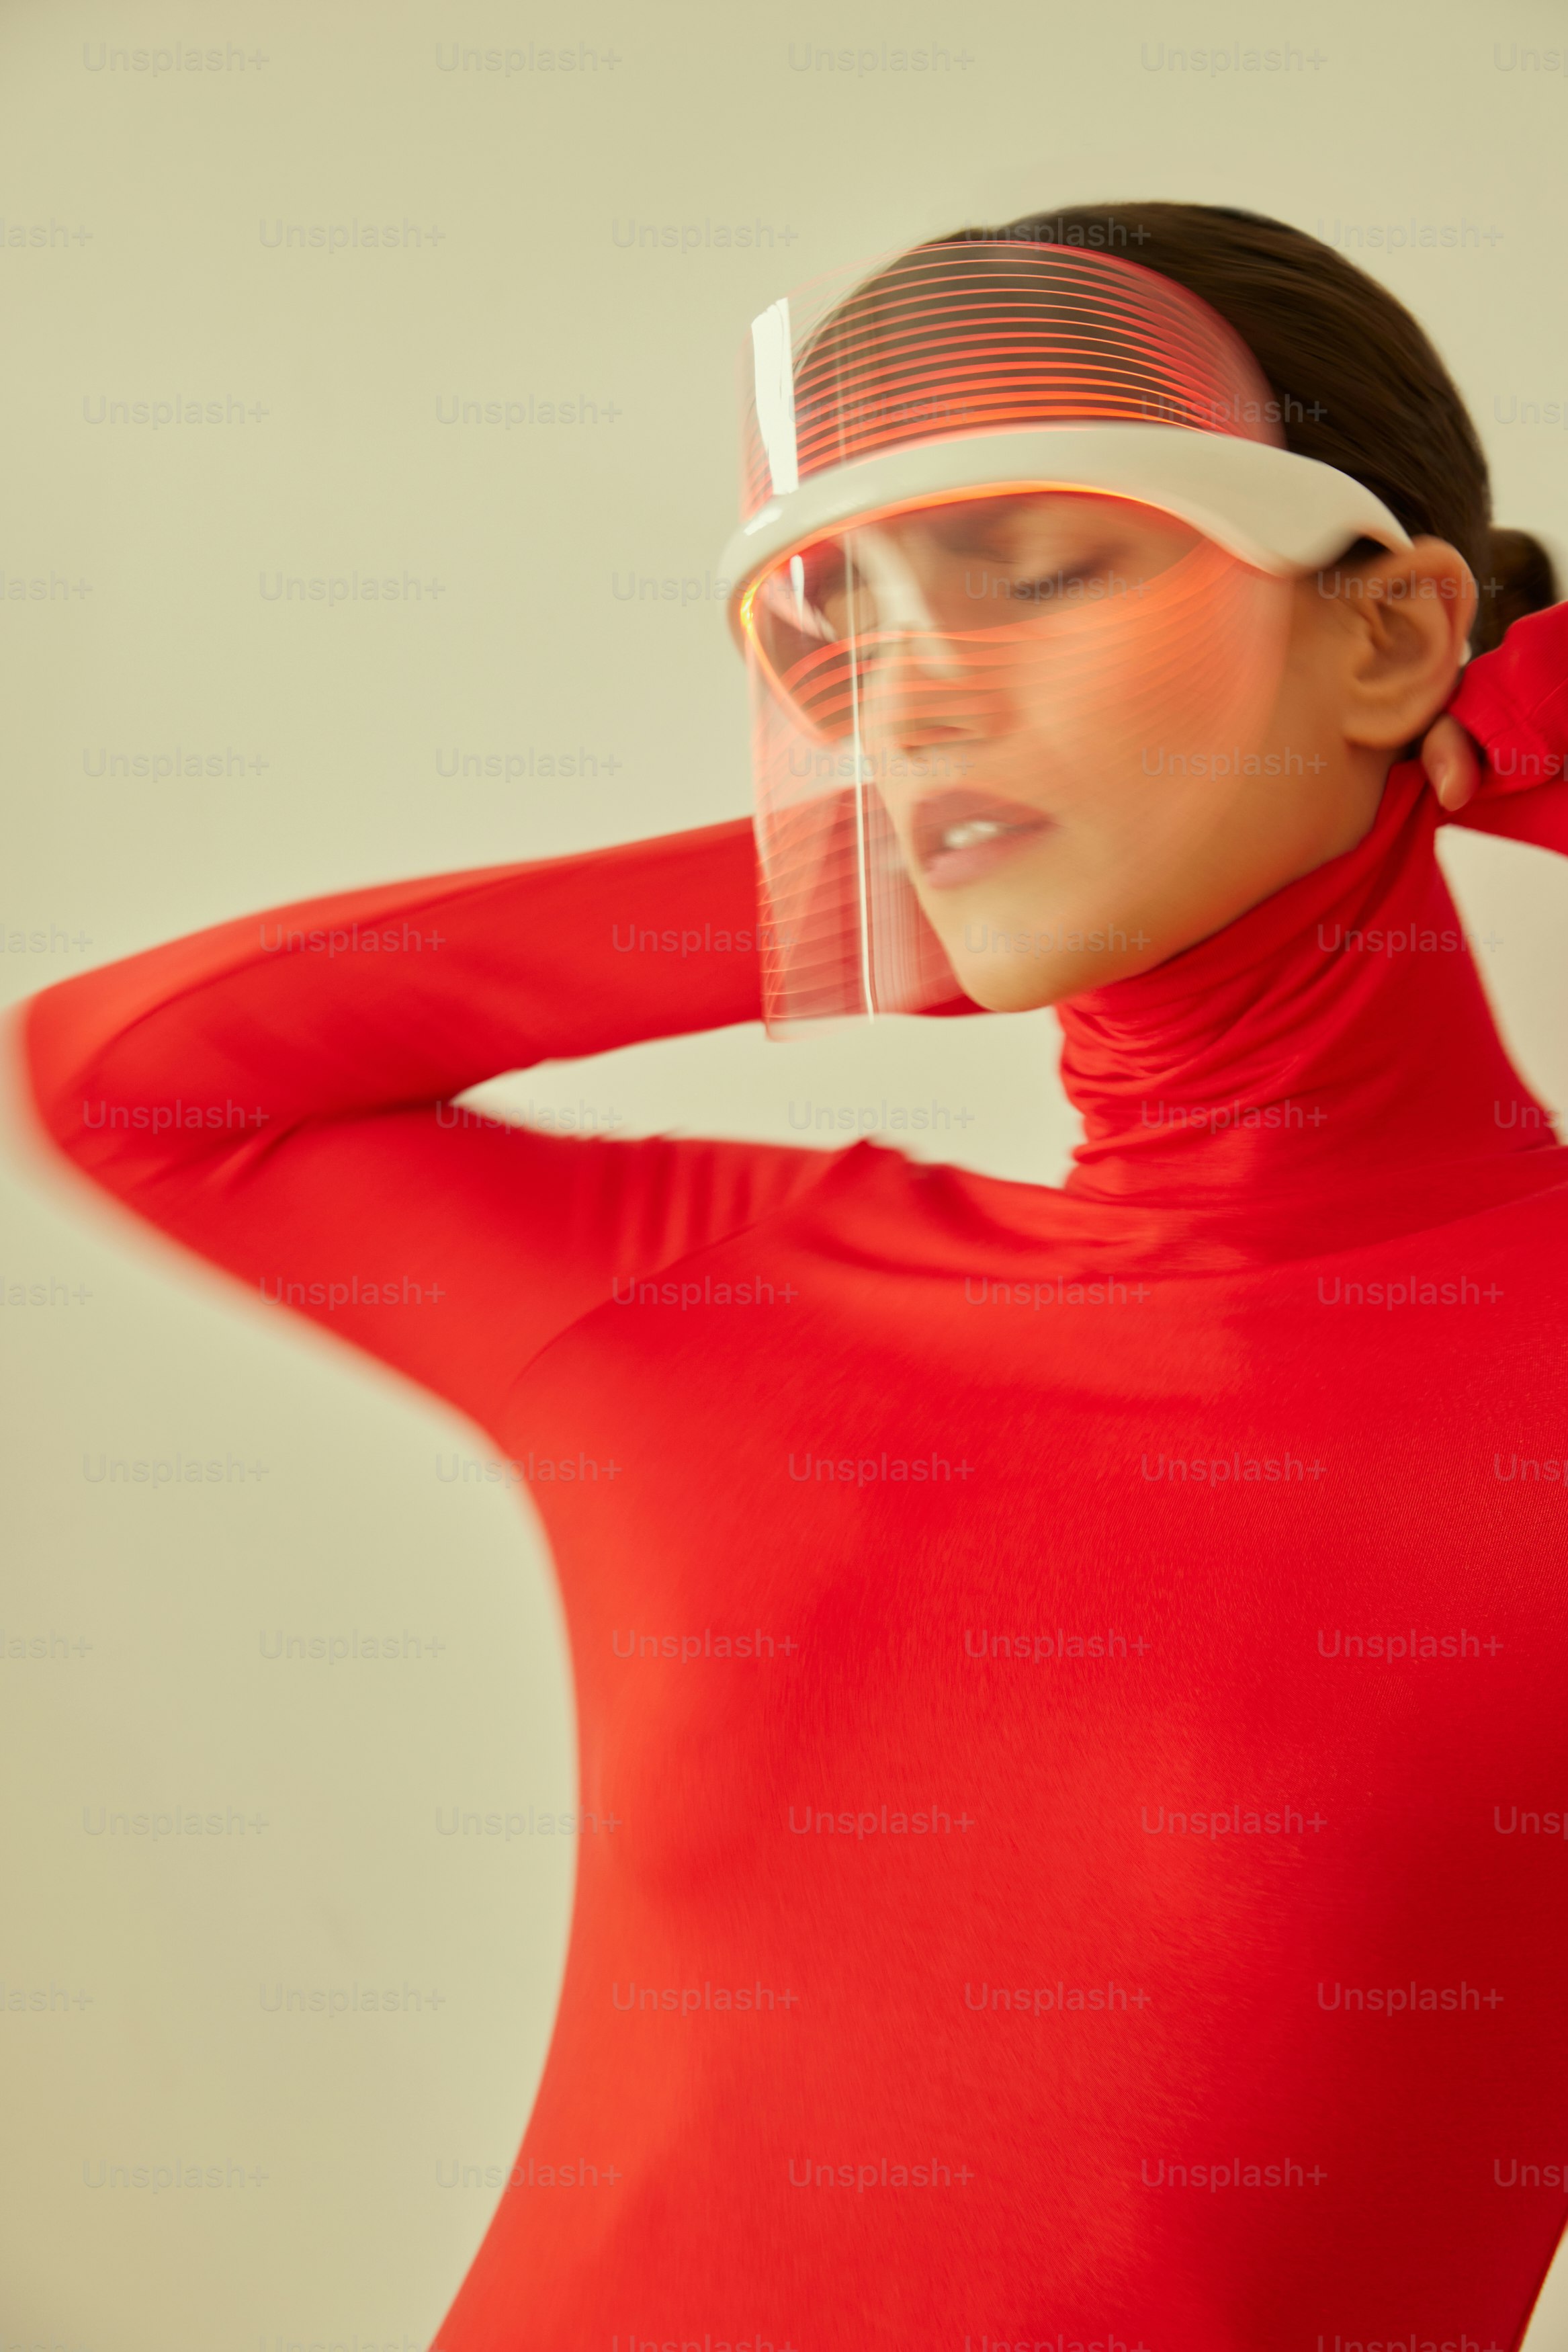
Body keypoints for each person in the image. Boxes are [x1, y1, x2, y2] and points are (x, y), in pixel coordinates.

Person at [18, 202, 1568, 2349]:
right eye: (838, 628)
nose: (915, 691)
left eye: (1046, 570)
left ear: (1394, 635)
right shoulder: (726, 1301)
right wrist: (865, 891)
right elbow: (133, 1082)